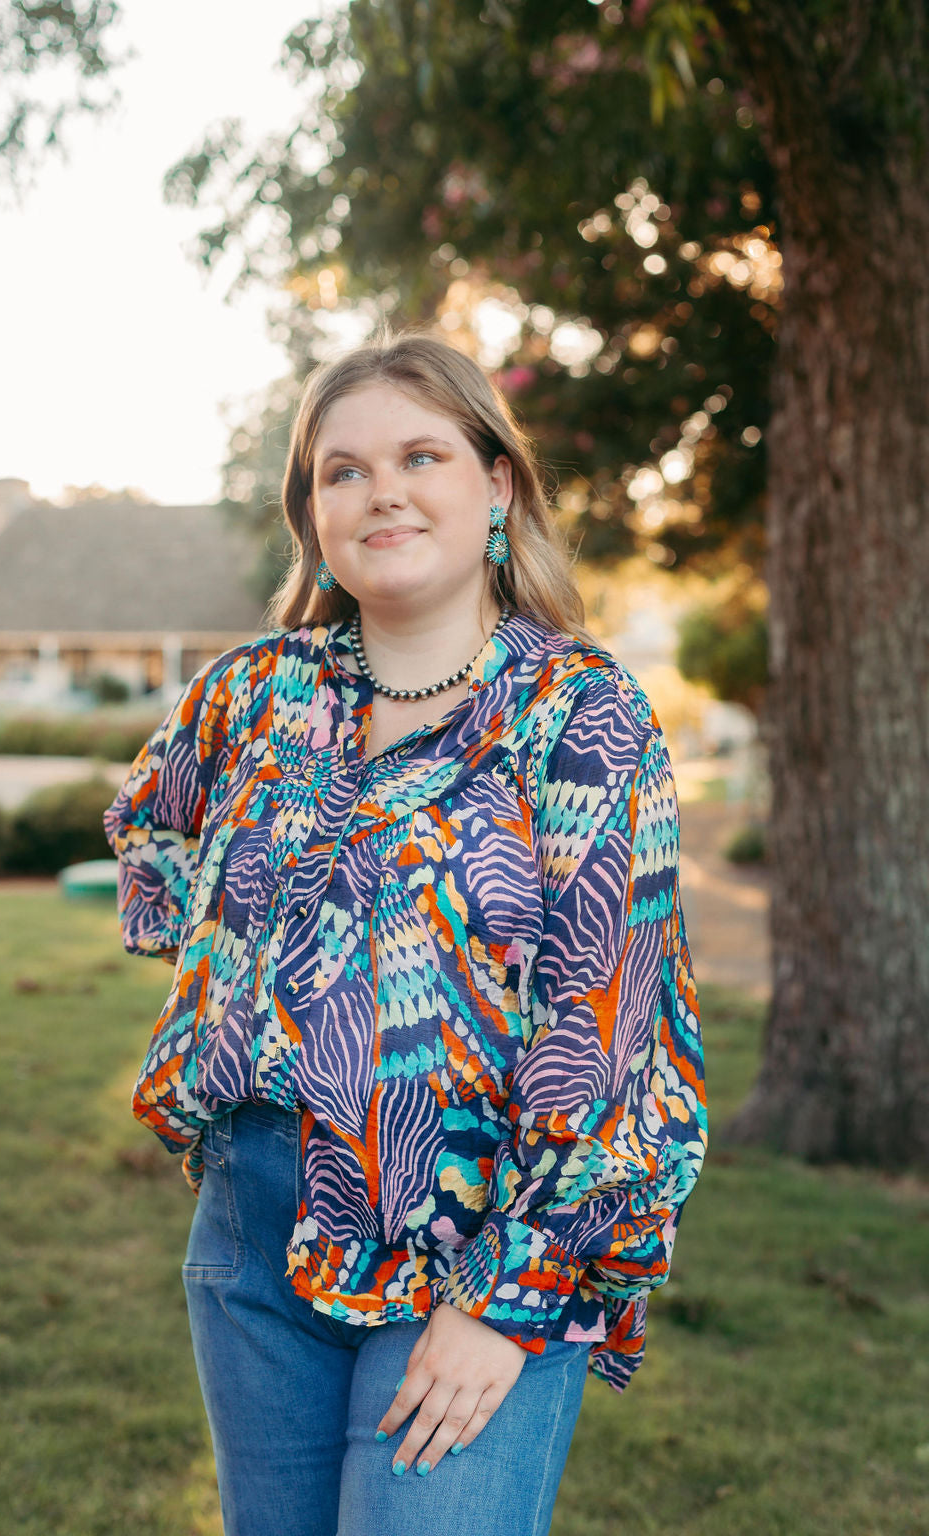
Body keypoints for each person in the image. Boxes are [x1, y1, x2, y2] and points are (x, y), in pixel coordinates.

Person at [103, 330, 707, 1536]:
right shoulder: (252, 692)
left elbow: (612, 1030)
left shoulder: (579, 713)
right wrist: (244, 980)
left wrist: (512, 1292)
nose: (380, 489)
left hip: (477, 1231)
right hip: (254, 1224)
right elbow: (149, 831)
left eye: (420, 455)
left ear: (495, 487)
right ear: (312, 515)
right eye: (342, 470)